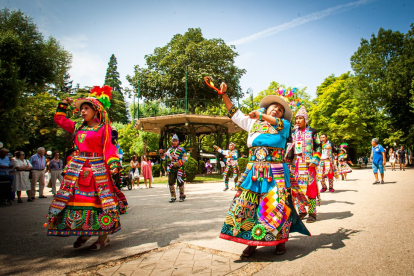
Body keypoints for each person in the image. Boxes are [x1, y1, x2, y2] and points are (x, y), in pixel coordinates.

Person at [216, 82, 310, 257]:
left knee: (275, 207)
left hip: (276, 173)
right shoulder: (253, 123)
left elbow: (276, 122)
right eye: (273, 108)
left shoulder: (284, 126)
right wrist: (224, 95)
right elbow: (233, 113)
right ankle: (251, 241)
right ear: (266, 109)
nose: (276, 110)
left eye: (280, 110)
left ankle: (279, 241)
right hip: (253, 172)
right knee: (247, 205)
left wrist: (260, 116)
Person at [46, 85, 128, 250]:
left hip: (98, 170)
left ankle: (102, 238)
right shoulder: (78, 127)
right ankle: (85, 232)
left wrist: (113, 164)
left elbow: (110, 149)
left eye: (86, 108)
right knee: (80, 201)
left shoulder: (104, 129)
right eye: (81, 109)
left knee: (101, 203)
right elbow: (60, 120)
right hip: (78, 170)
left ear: (95, 110)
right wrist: (63, 104)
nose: (83, 111)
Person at [285, 106, 321, 223]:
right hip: (295, 163)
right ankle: (301, 210)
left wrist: (315, 161)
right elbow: (289, 147)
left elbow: (319, 147)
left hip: (309, 164)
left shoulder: (313, 132)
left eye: (300, 118)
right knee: (295, 189)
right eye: (296, 119)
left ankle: (312, 213)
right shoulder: (293, 133)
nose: (298, 121)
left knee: (310, 189)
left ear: (306, 120)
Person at [159, 134, 188, 203]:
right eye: (173, 141)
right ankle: (173, 196)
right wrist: (161, 153)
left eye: (176, 141)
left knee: (180, 181)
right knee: (171, 181)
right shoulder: (170, 150)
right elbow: (164, 157)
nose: (174, 142)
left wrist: (178, 163)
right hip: (172, 167)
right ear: (172, 142)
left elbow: (185, 158)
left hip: (179, 167)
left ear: (178, 142)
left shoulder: (181, 149)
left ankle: (181, 195)